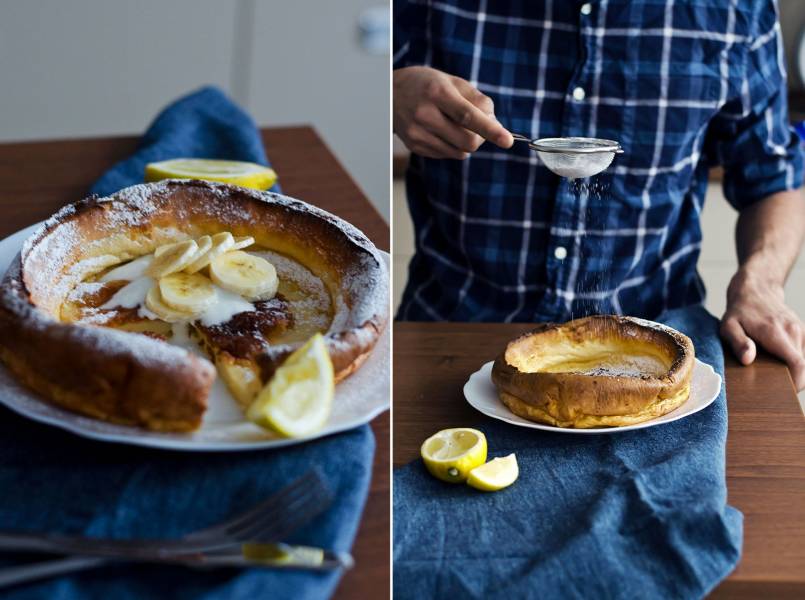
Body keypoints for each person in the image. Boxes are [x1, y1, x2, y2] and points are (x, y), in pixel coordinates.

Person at [393, 0, 805, 390]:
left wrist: (760, 285)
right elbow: (345, 70)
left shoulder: (736, 10)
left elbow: (775, 177)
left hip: (653, 346)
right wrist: (390, 91)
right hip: (449, 336)